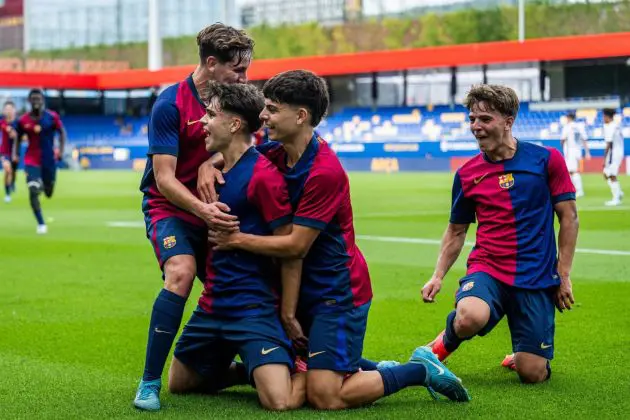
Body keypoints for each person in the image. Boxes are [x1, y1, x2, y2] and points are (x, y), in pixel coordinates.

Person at [208, 70, 471, 408]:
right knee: (315, 372)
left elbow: (296, 245)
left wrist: (236, 240)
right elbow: (235, 151)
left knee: (325, 396)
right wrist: (208, 164)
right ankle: (368, 369)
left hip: (337, 292)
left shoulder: (324, 172)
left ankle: (417, 371)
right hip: (302, 288)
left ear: (301, 116)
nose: (263, 116)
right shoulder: (274, 152)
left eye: (272, 109)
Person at [421, 84, 579, 384]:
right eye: (472, 119)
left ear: (508, 120)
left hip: (536, 275)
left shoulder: (546, 160)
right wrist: (437, 275)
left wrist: (564, 274)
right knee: (470, 315)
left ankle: (522, 355)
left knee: (533, 374)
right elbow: (456, 231)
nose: (476, 127)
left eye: (485, 119)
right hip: (489, 268)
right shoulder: (467, 174)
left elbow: (569, 217)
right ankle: (435, 351)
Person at [134, 23, 254, 411]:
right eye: (237, 70)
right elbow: (165, 180)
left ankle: (339, 367)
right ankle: (149, 383)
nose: (244, 77)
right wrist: (202, 209)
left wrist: (211, 162)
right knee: (182, 272)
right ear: (211, 63)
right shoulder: (170, 104)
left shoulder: (234, 100)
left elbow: (253, 141)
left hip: (214, 209)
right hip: (170, 208)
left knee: (248, 288)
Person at [168, 81, 306, 411]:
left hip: (252, 305)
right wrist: (206, 164)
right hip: (213, 303)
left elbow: (290, 250)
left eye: (211, 114)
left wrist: (288, 313)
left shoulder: (263, 177)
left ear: (234, 124)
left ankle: (307, 370)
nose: (202, 121)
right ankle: (252, 372)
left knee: (279, 402)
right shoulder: (215, 172)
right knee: (180, 383)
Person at [14, 90, 66, 234]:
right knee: (33, 190)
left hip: (49, 159)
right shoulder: (23, 120)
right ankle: (41, 223)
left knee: (48, 193)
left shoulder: (52, 117)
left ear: (43, 100)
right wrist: (16, 154)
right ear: (29, 101)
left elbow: (62, 132)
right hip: (31, 159)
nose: (36, 101)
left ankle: (43, 185)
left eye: (38, 98)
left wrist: (60, 151)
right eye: (33, 98)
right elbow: (18, 138)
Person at [561, 112, 590, 197]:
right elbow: (584, 140)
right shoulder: (580, 126)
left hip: (570, 151)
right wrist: (587, 152)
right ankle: (575, 189)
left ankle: (579, 190)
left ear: (569, 118)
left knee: (572, 171)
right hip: (578, 150)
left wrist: (564, 150)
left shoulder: (567, 127)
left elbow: (562, 140)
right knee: (572, 171)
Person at [602, 108, 624, 206]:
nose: (603, 118)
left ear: (607, 116)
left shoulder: (610, 126)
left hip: (613, 154)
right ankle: (618, 192)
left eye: (603, 116)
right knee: (606, 174)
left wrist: (604, 158)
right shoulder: (617, 125)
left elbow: (609, 143)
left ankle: (616, 199)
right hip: (618, 152)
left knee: (611, 175)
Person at [1, 101, 18, 203]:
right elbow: (5, 128)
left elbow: (22, 136)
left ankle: (12, 182)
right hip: (4, 152)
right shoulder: (2, 122)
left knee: (13, 172)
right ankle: (7, 194)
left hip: (15, 152)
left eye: (10, 109)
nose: (8, 111)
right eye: (6, 109)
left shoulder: (18, 123)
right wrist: (9, 130)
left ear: (14, 110)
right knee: (7, 170)